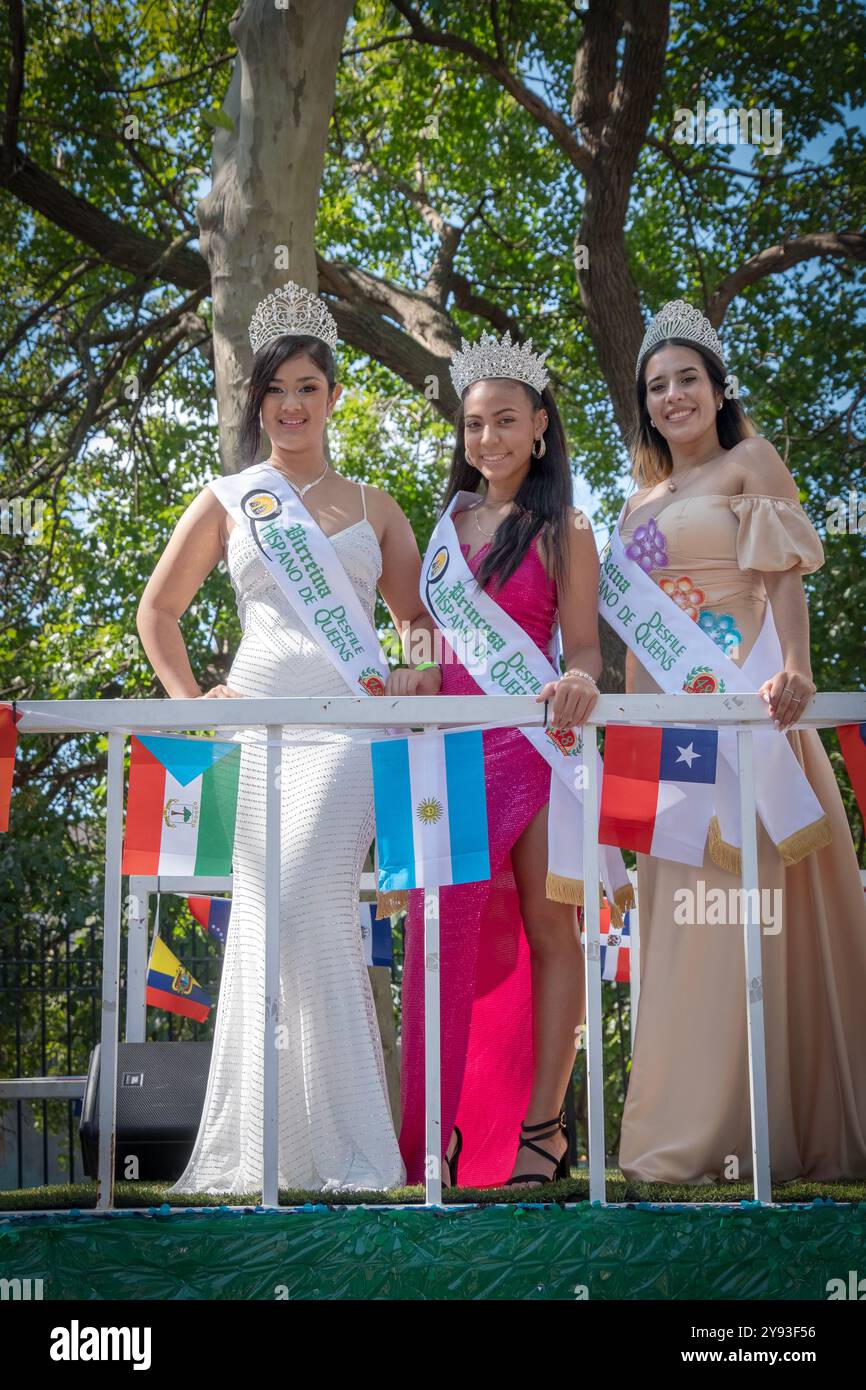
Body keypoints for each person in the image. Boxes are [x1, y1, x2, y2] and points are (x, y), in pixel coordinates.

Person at [136, 281, 438, 1194]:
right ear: (257, 401)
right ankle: (264, 1151)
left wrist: (416, 670)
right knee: (266, 918)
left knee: (311, 891)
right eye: (275, 391)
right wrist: (193, 704)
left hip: (345, 722)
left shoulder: (377, 505)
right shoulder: (232, 499)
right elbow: (159, 611)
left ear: (334, 395)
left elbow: (415, 616)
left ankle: (354, 1153)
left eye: (308, 386)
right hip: (257, 721)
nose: (292, 405)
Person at [614, 299, 866, 1184]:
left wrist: (795, 668)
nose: (674, 395)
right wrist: (633, 738)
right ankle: (677, 1135)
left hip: (754, 722)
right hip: (675, 741)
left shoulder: (749, 462)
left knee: (753, 924)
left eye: (688, 378)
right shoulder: (637, 502)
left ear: (719, 390)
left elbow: (784, 581)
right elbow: (641, 639)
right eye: (658, 385)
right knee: (683, 931)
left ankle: (758, 1131)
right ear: (644, 405)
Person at [396, 330, 631, 1189]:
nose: (486, 439)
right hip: (454, 752)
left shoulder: (565, 525)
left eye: (504, 421)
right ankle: (437, 1132)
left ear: (539, 426)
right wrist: (416, 661)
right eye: (472, 425)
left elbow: (582, 649)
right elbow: (424, 632)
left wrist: (576, 676)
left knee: (546, 927)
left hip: (532, 748)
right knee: (442, 933)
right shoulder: (446, 525)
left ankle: (542, 1130)